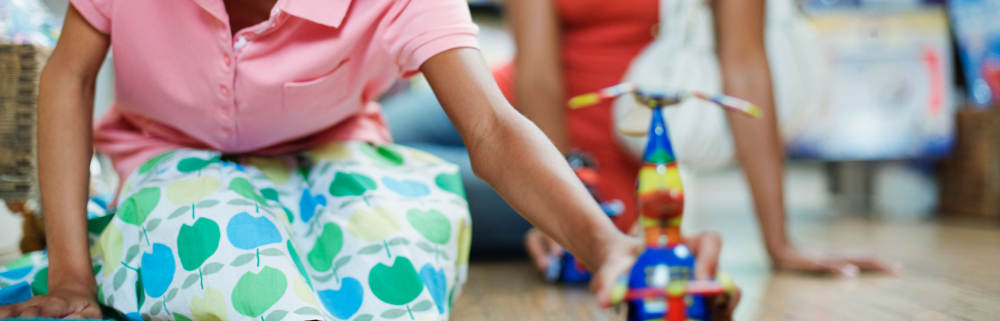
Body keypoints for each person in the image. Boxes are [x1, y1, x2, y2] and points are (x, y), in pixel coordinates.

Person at [0, 0, 732, 319]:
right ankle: (103, 238)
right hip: (174, 152)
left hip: (335, 149)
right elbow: (69, 74)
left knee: (398, 248)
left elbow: (491, 126)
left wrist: (607, 245)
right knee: (223, 257)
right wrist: (71, 273)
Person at [384, 0, 899, 277]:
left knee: (361, 173)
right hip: (500, 99)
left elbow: (744, 65)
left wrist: (779, 242)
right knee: (352, 136)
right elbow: (539, 73)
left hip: (594, 166)